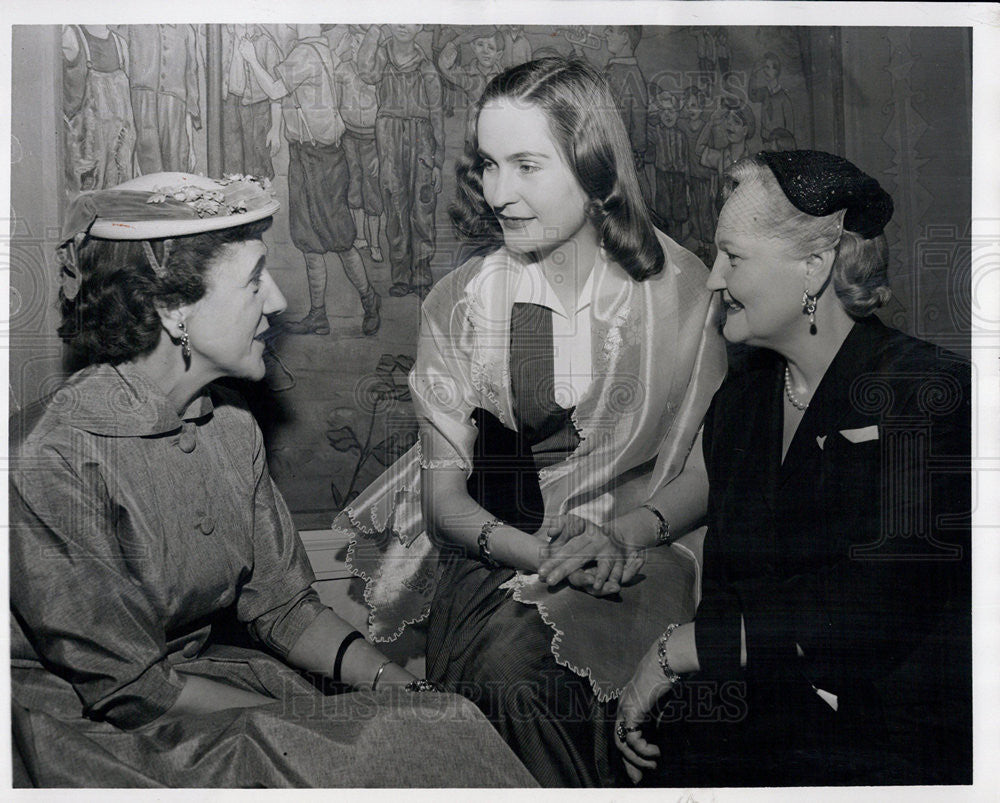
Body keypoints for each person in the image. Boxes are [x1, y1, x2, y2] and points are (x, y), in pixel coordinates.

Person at [9, 173, 538, 788]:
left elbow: (286, 609)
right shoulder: (54, 455)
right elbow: (133, 690)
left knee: (441, 719)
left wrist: (403, 687)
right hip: (96, 736)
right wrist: (330, 722)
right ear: (172, 308)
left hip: (206, 690)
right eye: (255, 279)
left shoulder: (232, 426)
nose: (280, 301)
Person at [340, 58, 727, 786]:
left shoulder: (683, 289)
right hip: (502, 551)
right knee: (509, 673)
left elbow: (703, 471)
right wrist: (538, 553)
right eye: (488, 165)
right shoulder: (460, 302)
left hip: (646, 547)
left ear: (592, 165)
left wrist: (617, 538)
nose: (498, 194)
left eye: (526, 165)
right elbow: (446, 502)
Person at [614, 151, 972, 786]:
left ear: (815, 265)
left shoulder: (928, 390)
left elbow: (878, 599)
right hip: (755, 721)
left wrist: (681, 650)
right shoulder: (747, 398)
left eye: (734, 257)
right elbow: (714, 520)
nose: (714, 279)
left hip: (890, 740)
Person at [238, 24, 381, 337]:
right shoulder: (318, 48)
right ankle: (319, 315)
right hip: (305, 154)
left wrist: (250, 58)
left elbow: (275, 90)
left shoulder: (304, 53)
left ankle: (370, 299)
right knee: (308, 239)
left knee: (340, 238)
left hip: (323, 158)